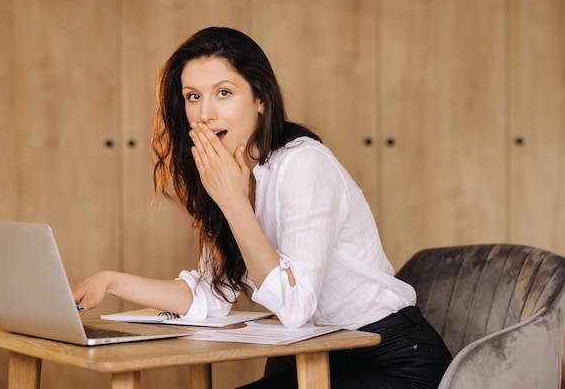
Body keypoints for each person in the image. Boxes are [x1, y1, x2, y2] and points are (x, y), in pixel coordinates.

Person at [72, 27, 452, 388]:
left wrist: (234, 203)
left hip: (393, 357)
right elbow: (210, 296)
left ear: (260, 99)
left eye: (224, 93)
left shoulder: (303, 163)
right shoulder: (225, 176)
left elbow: (296, 306)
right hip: (316, 356)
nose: (205, 113)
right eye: (193, 96)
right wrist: (112, 282)